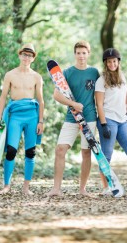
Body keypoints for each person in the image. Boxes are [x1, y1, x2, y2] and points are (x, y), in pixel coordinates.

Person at [47, 40, 99, 196]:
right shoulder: (68, 72)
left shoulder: (94, 73)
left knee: (86, 153)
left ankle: (82, 189)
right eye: (78, 53)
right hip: (71, 117)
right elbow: (56, 95)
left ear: (88, 54)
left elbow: (101, 95)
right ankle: (56, 189)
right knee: (60, 150)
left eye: (84, 53)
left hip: (89, 117)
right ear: (75, 54)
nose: (81, 56)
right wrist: (72, 104)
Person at [0, 43, 44, 195]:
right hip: (15, 115)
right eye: (24, 54)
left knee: (30, 152)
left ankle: (26, 187)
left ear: (33, 58)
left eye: (30, 55)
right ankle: (6, 185)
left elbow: (41, 100)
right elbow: (3, 97)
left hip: (32, 116)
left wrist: (41, 121)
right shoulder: (10, 74)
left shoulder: (37, 77)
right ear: (19, 55)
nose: (26, 57)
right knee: (10, 151)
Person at [95, 48, 127, 195]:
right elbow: (99, 104)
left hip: (122, 121)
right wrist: (103, 124)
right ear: (106, 63)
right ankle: (106, 188)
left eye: (114, 61)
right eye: (109, 61)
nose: (112, 64)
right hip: (108, 120)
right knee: (106, 156)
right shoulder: (101, 81)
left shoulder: (122, 77)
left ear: (118, 62)